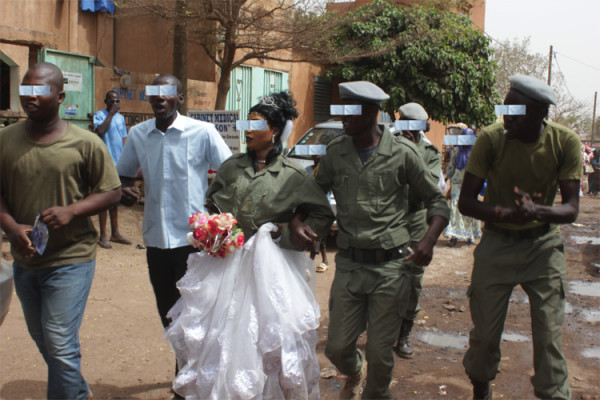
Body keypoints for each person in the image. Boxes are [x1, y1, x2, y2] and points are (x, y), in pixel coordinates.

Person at [165, 91, 335, 399]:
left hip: (273, 269)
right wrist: (215, 227)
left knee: (266, 339)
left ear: (273, 131)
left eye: (254, 123)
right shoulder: (232, 166)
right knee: (217, 336)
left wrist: (289, 229)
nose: (247, 129)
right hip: (226, 264)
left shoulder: (294, 174)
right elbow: (213, 200)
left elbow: (321, 212)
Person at [296, 81, 449, 399]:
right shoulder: (336, 153)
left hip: (391, 268)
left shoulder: (403, 154)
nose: (342, 117)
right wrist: (301, 221)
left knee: (381, 356)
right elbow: (315, 196)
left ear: (370, 112)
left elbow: (437, 203)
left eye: (348, 110)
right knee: (337, 349)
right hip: (350, 266)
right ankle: (354, 370)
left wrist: (428, 241)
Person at [0, 62, 121, 400]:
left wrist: (72, 211)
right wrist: (10, 227)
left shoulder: (86, 143)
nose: (30, 96)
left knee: (59, 339)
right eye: (26, 89)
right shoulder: (5, 140)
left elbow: (111, 191)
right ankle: (76, 388)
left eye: (40, 90)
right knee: (45, 339)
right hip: (26, 260)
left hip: (72, 257)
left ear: (60, 95)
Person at [458, 75, 582, 400]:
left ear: (540, 114)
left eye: (516, 112)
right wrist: (504, 214)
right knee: (484, 338)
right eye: (506, 109)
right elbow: (466, 202)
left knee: (549, 335)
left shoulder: (564, 142)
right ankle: (481, 384)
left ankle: (552, 393)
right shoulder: (491, 139)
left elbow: (571, 209)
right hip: (497, 244)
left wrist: (536, 211)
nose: (507, 118)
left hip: (543, 248)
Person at [116, 74, 232, 387]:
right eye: (154, 93)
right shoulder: (138, 134)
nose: (160, 98)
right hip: (156, 240)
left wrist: (215, 209)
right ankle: (184, 369)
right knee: (168, 311)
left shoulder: (202, 132)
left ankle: (193, 376)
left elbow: (231, 172)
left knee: (196, 311)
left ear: (179, 98)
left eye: (167, 93)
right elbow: (124, 176)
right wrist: (128, 191)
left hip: (194, 241)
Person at [391, 102, 442, 360]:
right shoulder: (386, 144)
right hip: (388, 220)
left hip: (415, 222)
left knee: (412, 279)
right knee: (384, 275)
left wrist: (410, 152)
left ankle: (404, 333)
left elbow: (427, 188)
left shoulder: (430, 152)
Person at [93, 90, 131, 249]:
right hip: (104, 162)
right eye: (112, 101)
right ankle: (103, 235)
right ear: (106, 101)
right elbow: (100, 131)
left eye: (117, 101)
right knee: (104, 199)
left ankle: (115, 233)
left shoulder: (121, 118)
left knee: (115, 198)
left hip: (118, 162)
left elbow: (123, 139)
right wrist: (111, 114)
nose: (115, 104)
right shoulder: (99, 115)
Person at [444, 127, 482, 247]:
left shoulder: (476, 152)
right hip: (457, 183)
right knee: (455, 208)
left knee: (470, 208)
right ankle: (454, 236)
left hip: (470, 185)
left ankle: (469, 235)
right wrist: (447, 178)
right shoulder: (456, 151)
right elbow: (452, 167)